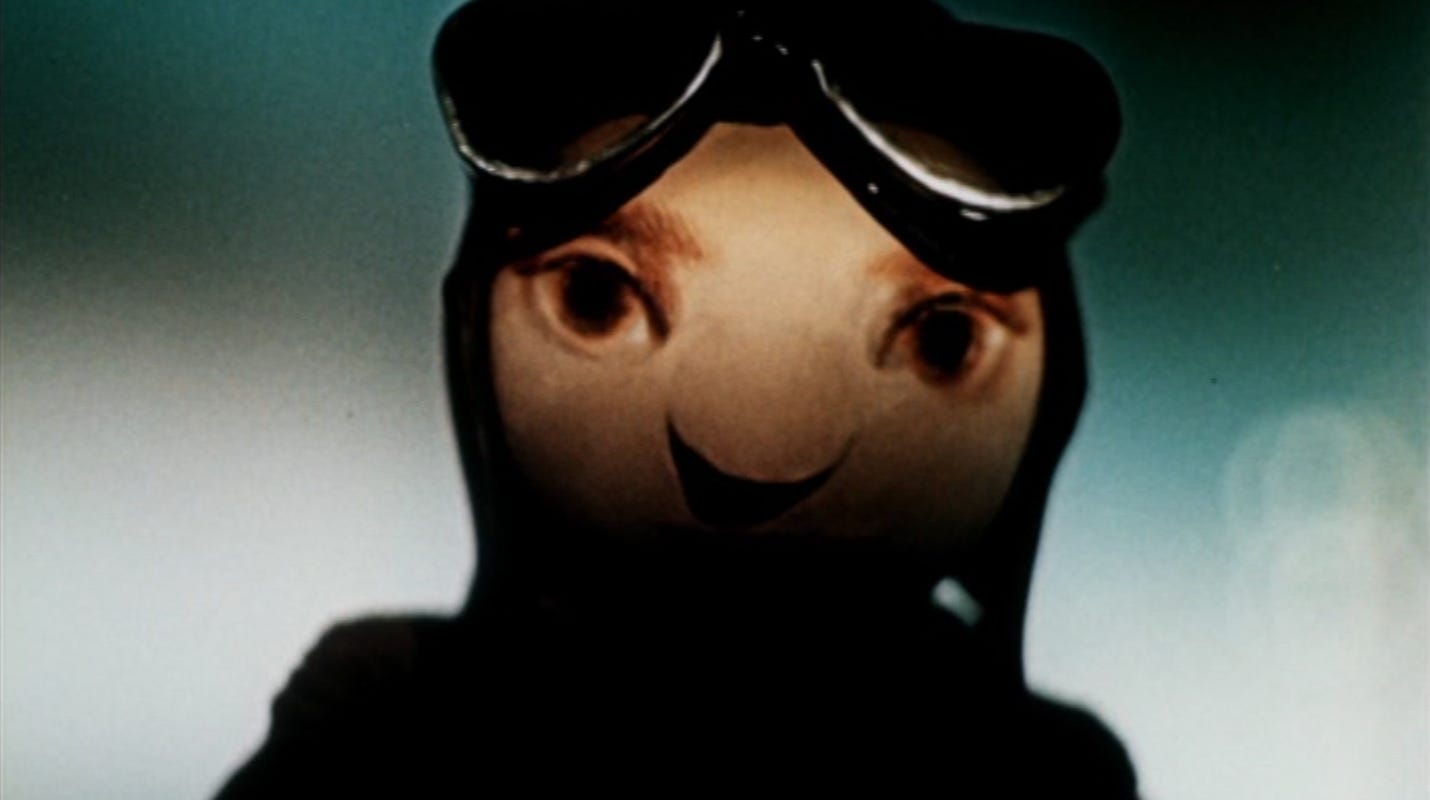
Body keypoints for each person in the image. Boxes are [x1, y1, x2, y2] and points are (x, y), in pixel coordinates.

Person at [216, 0, 1134, 794]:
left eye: (943, 339)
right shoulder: (392, 713)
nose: (757, 454)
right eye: (596, 298)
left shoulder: (1042, 770)